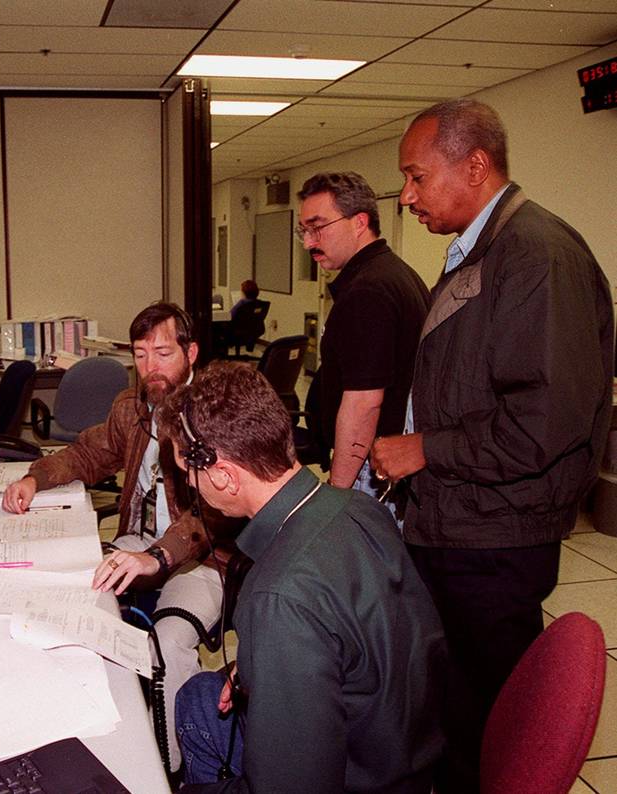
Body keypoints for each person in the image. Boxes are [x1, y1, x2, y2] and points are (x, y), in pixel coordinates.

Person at [370, 98, 613, 793]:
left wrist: (426, 449)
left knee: (492, 726)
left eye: (416, 178)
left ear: (474, 166)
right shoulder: (484, 247)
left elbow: (545, 423)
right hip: (458, 523)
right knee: (452, 709)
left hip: (495, 538)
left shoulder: (536, 256)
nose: (407, 197)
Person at [160, 362, 444, 793]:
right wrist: (262, 664)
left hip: (361, 777)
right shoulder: (359, 508)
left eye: (190, 474)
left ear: (224, 475)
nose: (192, 489)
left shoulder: (278, 595)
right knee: (200, 696)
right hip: (407, 752)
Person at [1, 301, 239, 772]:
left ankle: (175, 769)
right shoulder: (132, 407)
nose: (151, 367)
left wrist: (157, 557)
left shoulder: (213, 413)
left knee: (169, 646)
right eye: (141, 354)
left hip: (204, 558)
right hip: (141, 544)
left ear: (191, 353)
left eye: (164, 353)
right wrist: (36, 477)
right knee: (71, 597)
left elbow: (211, 516)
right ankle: (97, 741)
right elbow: (88, 455)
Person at [297, 171, 428, 498]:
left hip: (371, 469)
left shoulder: (368, 291)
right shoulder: (394, 273)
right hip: (385, 463)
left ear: (359, 222)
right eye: (304, 231)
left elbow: (364, 404)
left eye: (317, 228)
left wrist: (338, 493)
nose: (308, 242)